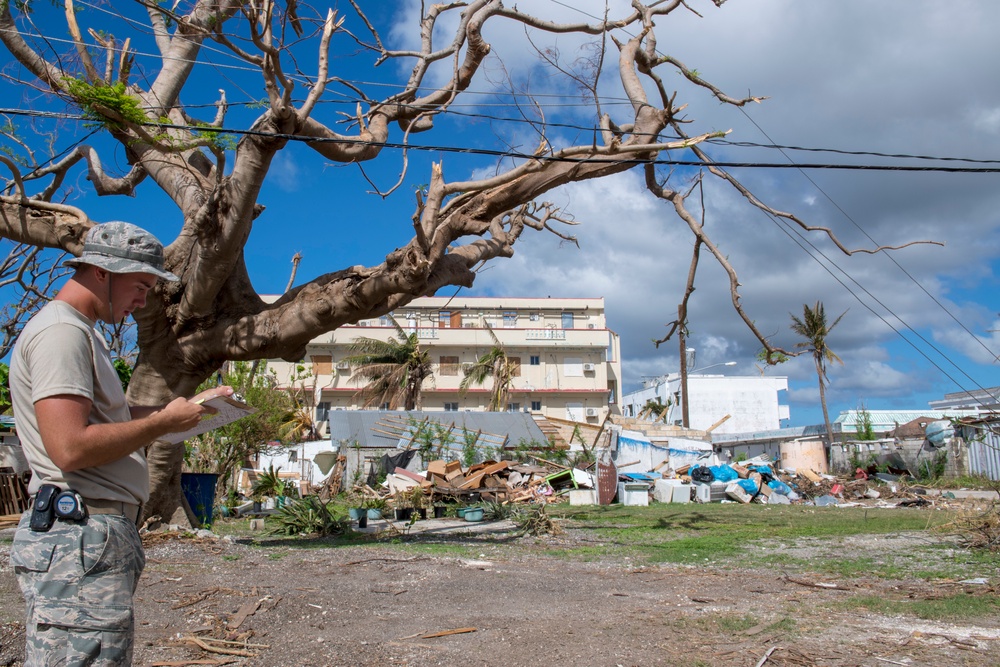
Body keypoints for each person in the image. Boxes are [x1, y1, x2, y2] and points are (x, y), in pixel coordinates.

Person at [8, 221, 233, 666]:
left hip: (88, 536)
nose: (143, 300)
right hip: (79, 533)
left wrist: (178, 414)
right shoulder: (62, 333)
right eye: (141, 285)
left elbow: (107, 421)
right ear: (102, 273)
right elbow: (70, 446)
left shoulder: (80, 331)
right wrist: (163, 422)